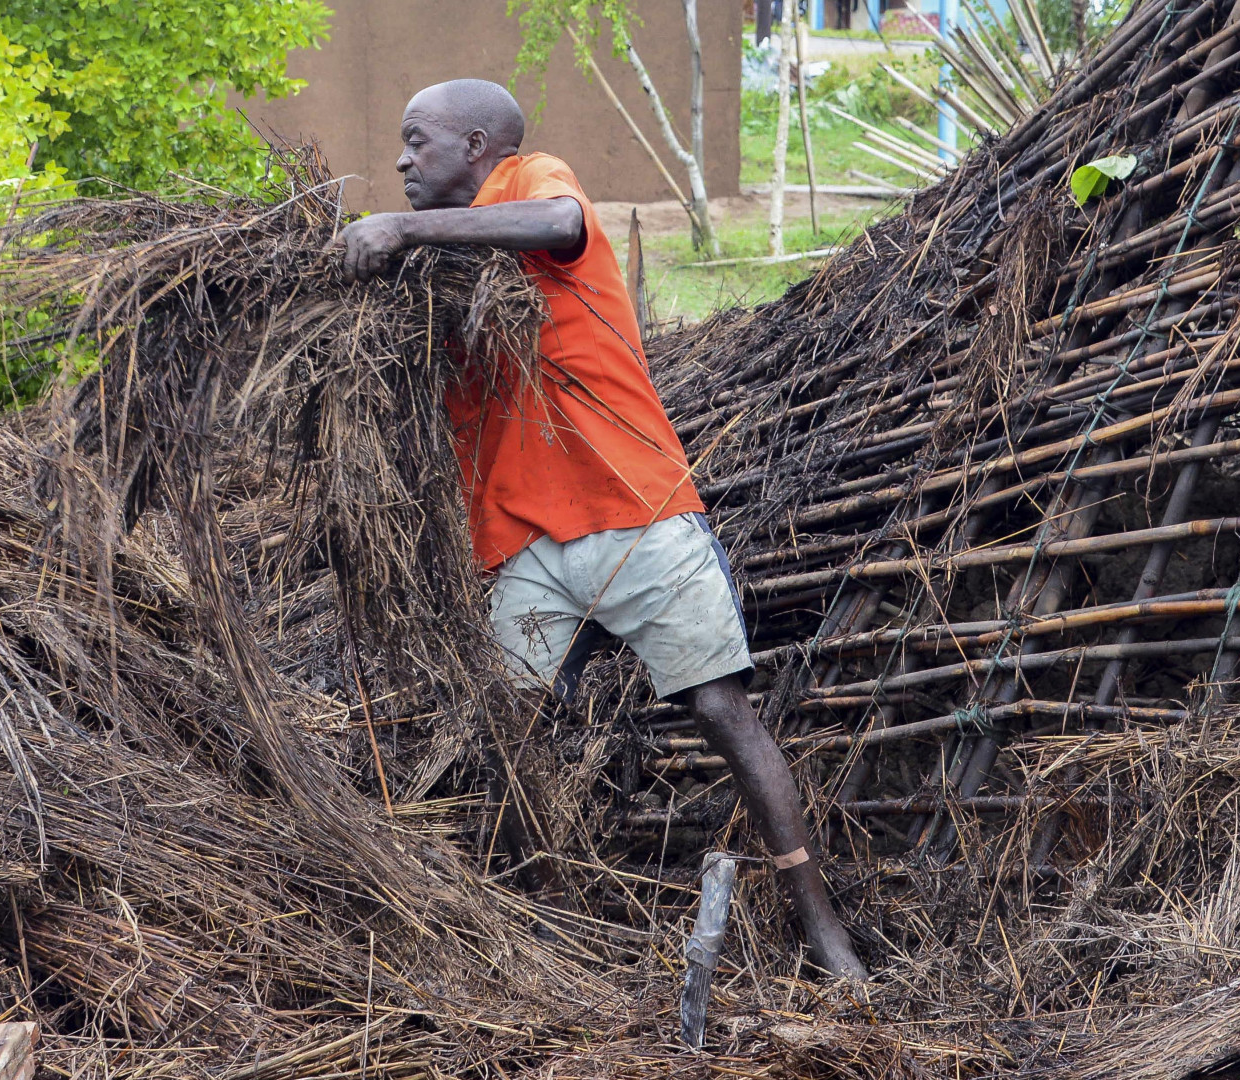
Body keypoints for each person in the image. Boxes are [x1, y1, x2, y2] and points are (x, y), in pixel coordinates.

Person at [335, 79, 867, 980]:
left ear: (474, 145)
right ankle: (528, 926)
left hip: (635, 511)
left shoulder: (531, 185)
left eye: (414, 141)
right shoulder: (440, 272)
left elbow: (559, 222)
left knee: (719, 710)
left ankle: (824, 932)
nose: (399, 162)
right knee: (508, 727)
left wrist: (404, 228)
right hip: (526, 543)